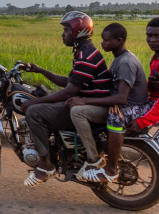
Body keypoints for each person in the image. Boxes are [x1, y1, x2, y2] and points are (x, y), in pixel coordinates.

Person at [82, 17, 159, 183]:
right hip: (154, 104)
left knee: (117, 116)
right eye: (149, 35)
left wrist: (142, 122)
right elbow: (157, 89)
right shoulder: (157, 58)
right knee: (115, 110)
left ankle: (110, 170)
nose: (153, 40)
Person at [20, 11, 111, 187]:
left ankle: (46, 165)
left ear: (78, 31)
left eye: (67, 30)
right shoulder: (83, 52)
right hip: (85, 102)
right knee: (46, 101)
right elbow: (69, 82)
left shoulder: (86, 56)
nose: (63, 34)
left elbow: (69, 91)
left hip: (91, 108)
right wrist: (42, 71)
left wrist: (34, 102)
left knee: (34, 113)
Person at [69, 23, 149, 183]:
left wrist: (84, 100)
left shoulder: (125, 62)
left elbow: (121, 98)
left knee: (77, 111)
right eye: (102, 40)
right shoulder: (120, 58)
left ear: (119, 41)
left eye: (106, 40)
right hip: (119, 107)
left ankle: (93, 159)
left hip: (126, 109)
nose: (102, 43)